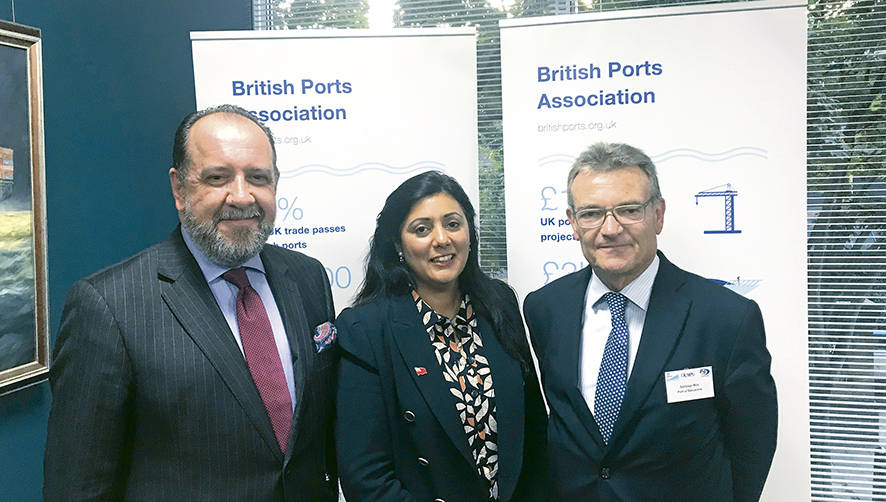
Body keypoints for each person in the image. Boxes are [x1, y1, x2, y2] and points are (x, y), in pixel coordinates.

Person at [44, 104, 338, 501]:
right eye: (218, 178)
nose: (241, 195)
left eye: (258, 178)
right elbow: (77, 488)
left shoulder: (308, 278)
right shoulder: (108, 306)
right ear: (180, 190)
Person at [523, 142, 777, 501]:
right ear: (573, 223)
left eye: (628, 210)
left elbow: (753, 445)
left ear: (658, 214)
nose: (610, 229)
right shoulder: (545, 309)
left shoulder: (726, 319)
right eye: (592, 213)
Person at [335, 171, 546, 502]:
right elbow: (366, 478)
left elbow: (534, 432)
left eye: (452, 224)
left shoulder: (499, 303)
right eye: (422, 229)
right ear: (397, 245)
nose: (442, 239)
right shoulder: (365, 329)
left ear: (470, 233)